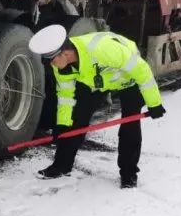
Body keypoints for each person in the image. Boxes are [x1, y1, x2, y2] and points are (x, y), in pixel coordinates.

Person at [29, 25, 166, 187]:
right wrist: (63, 124)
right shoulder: (62, 67)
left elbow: (142, 70)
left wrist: (154, 103)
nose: (51, 65)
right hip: (95, 81)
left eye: (52, 60)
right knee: (75, 119)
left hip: (128, 80)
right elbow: (66, 98)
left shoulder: (104, 50)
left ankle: (129, 174)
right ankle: (61, 166)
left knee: (130, 124)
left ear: (65, 53)